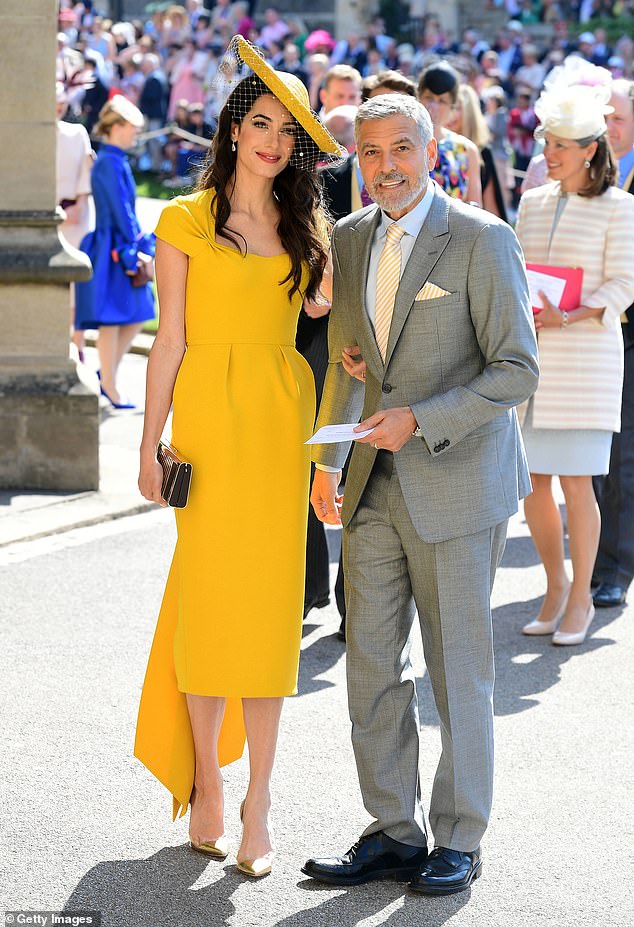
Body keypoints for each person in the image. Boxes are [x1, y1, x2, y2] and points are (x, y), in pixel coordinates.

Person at [302, 93, 538, 895]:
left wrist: (421, 418)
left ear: (431, 151)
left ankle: (461, 835)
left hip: (460, 485)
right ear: (356, 160)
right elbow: (348, 360)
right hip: (369, 485)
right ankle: (393, 831)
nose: (387, 166)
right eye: (370, 152)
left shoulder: (482, 237)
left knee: (458, 670)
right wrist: (325, 464)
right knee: (369, 667)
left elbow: (517, 369)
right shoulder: (352, 237)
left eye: (401, 148)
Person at [135, 36, 343, 879]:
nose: (272, 141)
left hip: (280, 424)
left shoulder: (306, 227)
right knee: (209, 606)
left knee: (268, 616)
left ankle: (260, 798)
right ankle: (210, 787)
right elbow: (168, 339)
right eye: (260, 122)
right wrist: (151, 442)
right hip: (210, 427)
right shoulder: (185, 218)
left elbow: (332, 323)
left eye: (287, 132)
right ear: (231, 128)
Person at [516, 77, 634, 644]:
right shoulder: (532, 201)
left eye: (560, 144)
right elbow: (517, 272)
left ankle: (581, 595)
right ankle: (555, 584)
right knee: (531, 483)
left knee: (577, 483)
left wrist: (575, 314)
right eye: (545, 143)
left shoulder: (620, 206)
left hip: (586, 362)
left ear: (590, 148)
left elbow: (624, 283)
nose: (549, 154)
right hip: (533, 361)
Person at [75, 96, 155, 409]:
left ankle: (106, 374)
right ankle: (108, 382)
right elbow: (122, 210)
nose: (136, 134)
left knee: (136, 313)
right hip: (114, 246)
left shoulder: (113, 159)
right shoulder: (110, 161)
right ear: (117, 127)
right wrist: (139, 243)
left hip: (117, 242)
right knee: (113, 318)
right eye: (132, 128)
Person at [593, 78, 634, 607]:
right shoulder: (588, 177)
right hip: (591, 330)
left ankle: (616, 568)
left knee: (621, 455)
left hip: (627, 329)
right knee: (599, 456)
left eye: (617, 117)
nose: (608, 128)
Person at [56, 81, 94, 361]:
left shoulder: (77, 132)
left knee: (75, 281)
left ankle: (76, 343)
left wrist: (79, 204)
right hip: (43, 214)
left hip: (75, 215)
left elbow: (85, 168)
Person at [417, 62, 482, 205]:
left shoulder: (466, 150)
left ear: (452, 105)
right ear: (419, 97)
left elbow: (475, 208)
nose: (433, 106)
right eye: (429, 97)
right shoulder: (404, 143)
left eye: (442, 101)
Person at [450, 83, 508, 221]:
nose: (450, 113)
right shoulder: (433, 150)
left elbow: (492, 211)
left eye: (457, 108)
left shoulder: (482, 153)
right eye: (449, 106)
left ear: (469, 113)